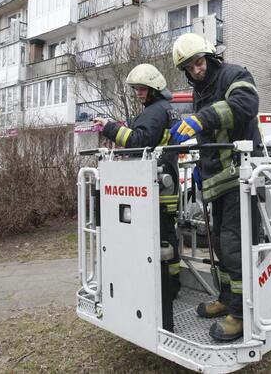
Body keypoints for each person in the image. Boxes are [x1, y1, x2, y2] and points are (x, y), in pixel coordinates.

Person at [169, 33, 261, 342]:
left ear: (209, 57)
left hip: (241, 179)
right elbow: (211, 138)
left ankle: (241, 314)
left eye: (199, 63)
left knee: (234, 248)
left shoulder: (234, 74)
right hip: (218, 181)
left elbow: (245, 105)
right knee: (220, 247)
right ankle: (226, 297)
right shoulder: (200, 91)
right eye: (190, 67)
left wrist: (200, 119)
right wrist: (199, 167)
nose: (196, 70)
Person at [93, 64, 182, 301]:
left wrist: (109, 128)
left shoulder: (155, 111)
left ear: (154, 89)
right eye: (136, 90)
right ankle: (171, 283)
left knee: (159, 235)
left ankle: (167, 288)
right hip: (165, 180)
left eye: (142, 89)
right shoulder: (166, 109)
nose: (138, 94)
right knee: (166, 233)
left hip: (155, 184)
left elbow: (139, 141)